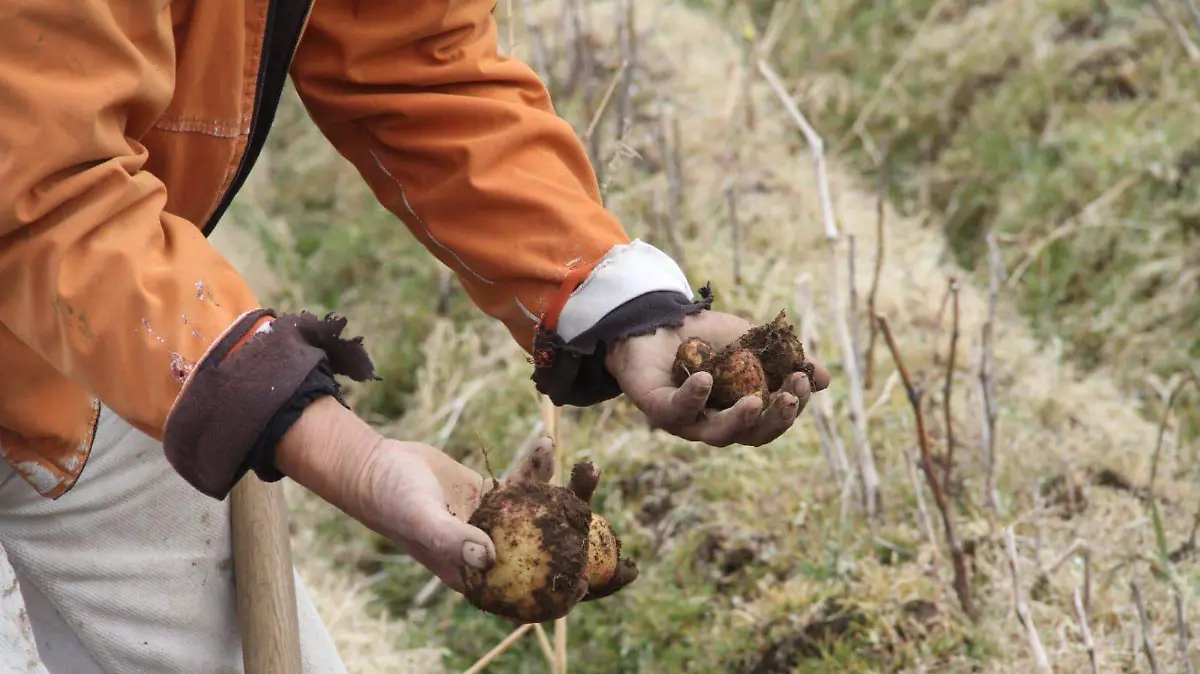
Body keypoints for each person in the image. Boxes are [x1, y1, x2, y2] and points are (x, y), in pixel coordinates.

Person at [0, 0, 831, 671]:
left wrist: (625, 308)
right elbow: (41, 193)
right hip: (61, 279)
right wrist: (340, 449)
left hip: (66, 355)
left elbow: (414, 55)